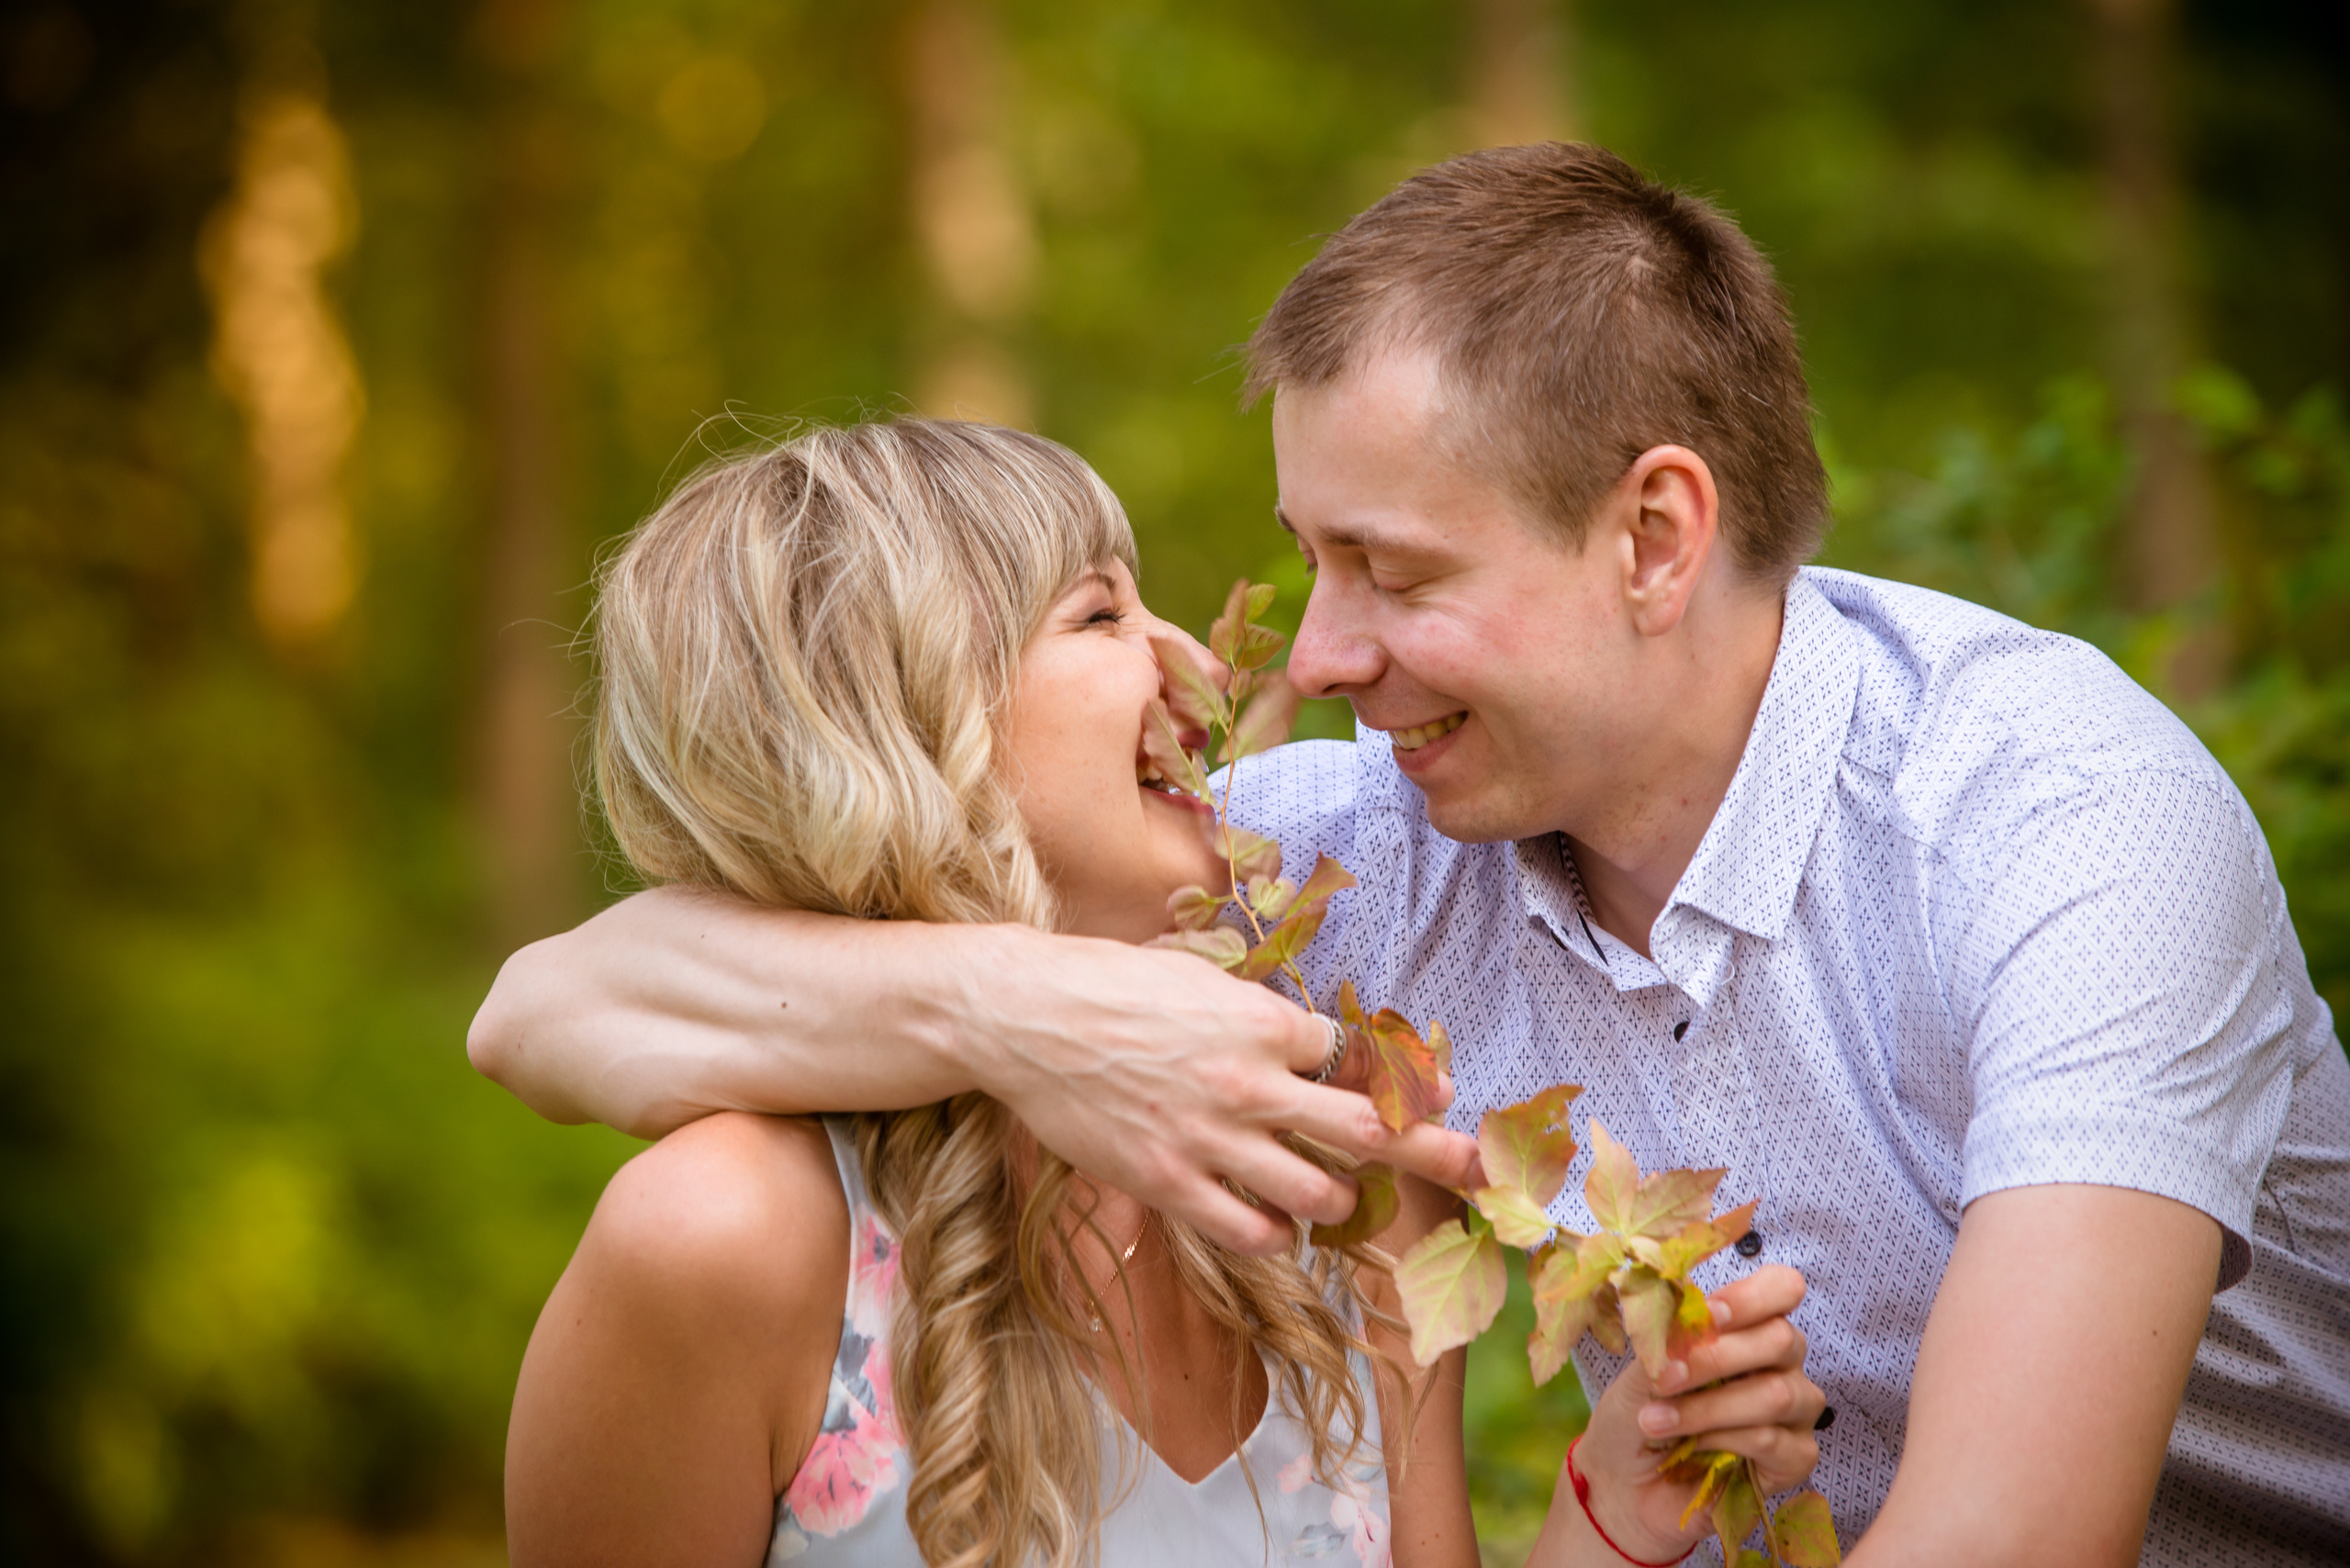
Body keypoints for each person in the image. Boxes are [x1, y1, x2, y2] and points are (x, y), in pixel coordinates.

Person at [474, 145, 2350, 1565]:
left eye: (1394, 569)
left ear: (1650, 535)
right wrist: (1027, 1005)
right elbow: (550, 1005)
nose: (1306, 658)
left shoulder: (2059, 822)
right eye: (1308, 559)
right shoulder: (1332, 857)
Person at [499, 417, 1826, 1568]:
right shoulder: (724, 1241)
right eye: (1099, 615)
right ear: (891, 733)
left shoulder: (1339, 1197)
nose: (1194, 657)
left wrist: (1622, 1498)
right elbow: (524, 1015)